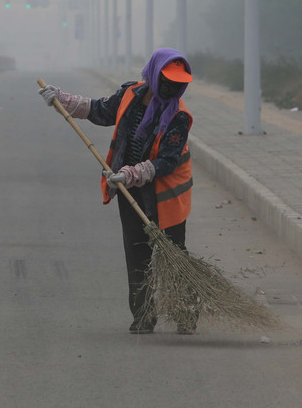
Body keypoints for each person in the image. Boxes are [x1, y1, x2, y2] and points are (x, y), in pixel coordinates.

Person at [39, 48, 196, 334]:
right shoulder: (130, 95)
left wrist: (133, 172)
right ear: (153, 73)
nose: (173, 87)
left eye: (178, 82)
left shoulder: (179, 116)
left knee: (174, 254)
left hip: (166, 194)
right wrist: (61, 100)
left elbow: (168, 161)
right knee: (137, 254)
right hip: (129, 188)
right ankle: (143, 316)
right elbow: (99, 110)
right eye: (167, 80)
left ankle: (186, 314)